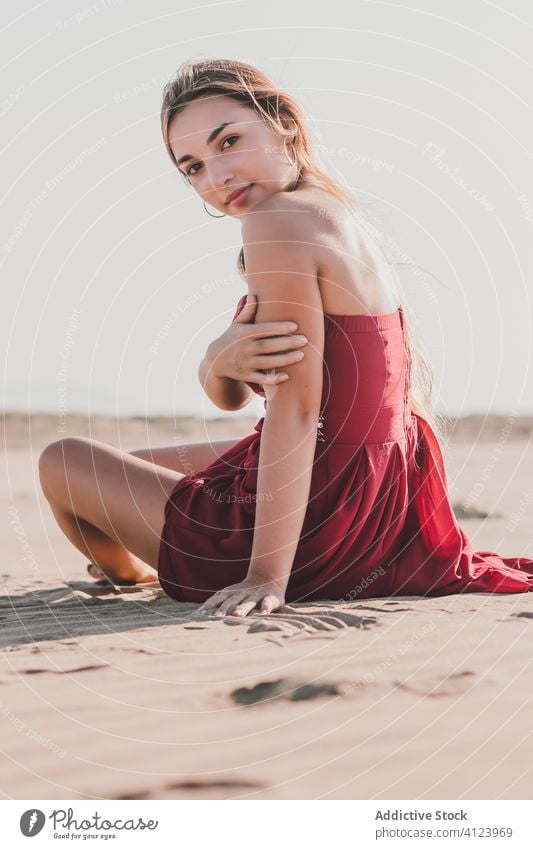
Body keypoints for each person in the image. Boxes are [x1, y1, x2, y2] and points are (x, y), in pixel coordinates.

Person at [38, 58, 533, 618]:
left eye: (229, 141)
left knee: (63, 460)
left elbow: (296, 411)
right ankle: (138, 566)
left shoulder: (275, 223)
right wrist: (214, 361)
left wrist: (265, 575)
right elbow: (240, 393)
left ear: (283, 124)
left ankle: (131, 572)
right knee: (141, 461)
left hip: (322, 519)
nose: (216, 177)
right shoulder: (331, 214)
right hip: (382, 491)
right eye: (193, 166)